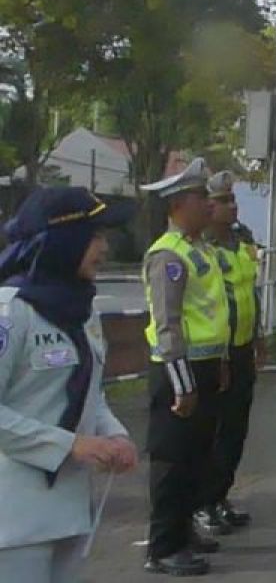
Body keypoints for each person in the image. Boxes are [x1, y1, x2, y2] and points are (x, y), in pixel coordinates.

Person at [0, 187, 139, 582]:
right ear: (61, 240)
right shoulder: (10, 311)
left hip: (69, 513)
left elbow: (88, 393)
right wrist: (70, 446)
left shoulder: (81, 310)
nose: (104, 247)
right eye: (93, 235)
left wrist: (115, 435)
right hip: (12, 520)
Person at [140, 158, 231, 576]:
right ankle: (162, 547)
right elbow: (167, 324)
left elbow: (215, 314)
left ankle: (183, 534)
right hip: (180, 373)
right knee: (172, 463)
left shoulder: (201, 251)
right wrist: (183, 384)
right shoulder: (168, 256)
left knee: (197, 458)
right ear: (178, 204)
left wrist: (223, 362)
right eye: (200, 199)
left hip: (207, 368)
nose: (208, 206)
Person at [193, 171, 260, 535]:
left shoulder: (241, 240)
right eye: (223, 201)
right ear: (208, 206)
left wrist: (259, 337)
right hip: (214, 355)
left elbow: (252, 292)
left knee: (236, 430)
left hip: (243, 348)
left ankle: (220, 497)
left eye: (233, 200)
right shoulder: (201, 248)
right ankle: (201, 503)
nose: (231, 207)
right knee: (212, 432)